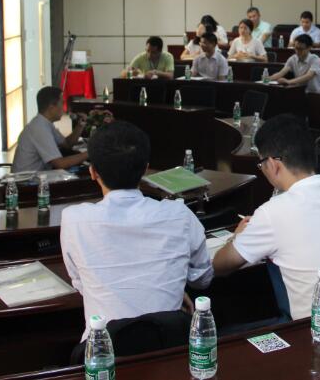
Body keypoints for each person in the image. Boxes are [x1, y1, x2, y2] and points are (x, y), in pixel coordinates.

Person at [212, 115, 320, 320]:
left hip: (315, 328)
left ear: (273, 164)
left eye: (261, 164)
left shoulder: (272, 213)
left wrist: (236, 237)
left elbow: (219, 266)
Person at [60, 121, 213, 341]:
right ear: (145, 169)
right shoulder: (179, 214)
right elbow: (202, 279)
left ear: (93, 172)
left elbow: (82, 283)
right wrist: (172, 287)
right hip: (169, 344)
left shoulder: (73, 219)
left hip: (103, 350)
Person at [12, 86, 89, 172]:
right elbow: (60, 164)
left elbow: (67, 144)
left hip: (38, 176)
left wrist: (80, 125)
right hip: (26, 179)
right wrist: (91, 152)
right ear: (51, 107)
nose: (64, 108)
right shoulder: (40, 128)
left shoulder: (45, 123)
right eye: (62, 103)